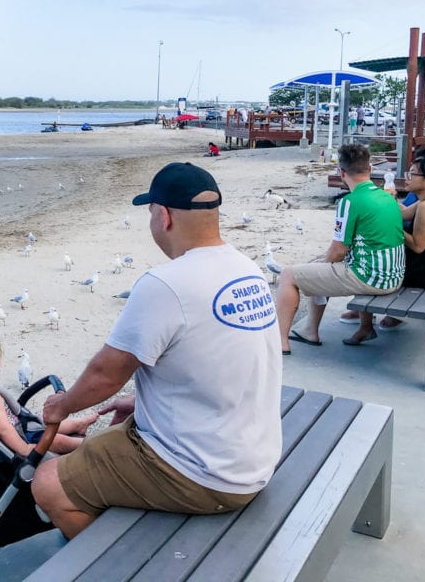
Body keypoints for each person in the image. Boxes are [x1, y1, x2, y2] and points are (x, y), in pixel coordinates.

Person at [31, 162, 282, 539]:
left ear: (163, 216)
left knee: (47, 483)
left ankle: (111, 562)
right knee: (97, 445)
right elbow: (223, 362)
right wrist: (142, 401)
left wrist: (62, 406)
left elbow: (105, 374)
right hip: (251, 454)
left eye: (151, 213)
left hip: (210, 474)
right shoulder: (246, 268)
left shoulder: (165, 283)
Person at [276, 143, 404, 353]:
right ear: (370, 168)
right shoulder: (387, 196)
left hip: (371, 278)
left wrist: (323, 268)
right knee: (319, 268)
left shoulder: (350, 202)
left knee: (289, 275)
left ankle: (280, 341)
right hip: (393, 275)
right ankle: (310, 329)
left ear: (342, 172)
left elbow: (338, 252)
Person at [339, 150, 425, 341]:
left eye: (413, 173)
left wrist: (390, 227)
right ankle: (362, 313)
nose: (407, 177)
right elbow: (402, 213)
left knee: (369, 264)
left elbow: (418, 246)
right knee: (374, 256)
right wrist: (387, 199)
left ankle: (365, 324)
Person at [0, 330, 96, 456]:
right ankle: (82, 444)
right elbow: (3, 430)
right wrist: (24, 448)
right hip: (18, 438)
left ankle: (78, 424)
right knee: (52, 439)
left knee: (41, 419)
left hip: (19, 427)